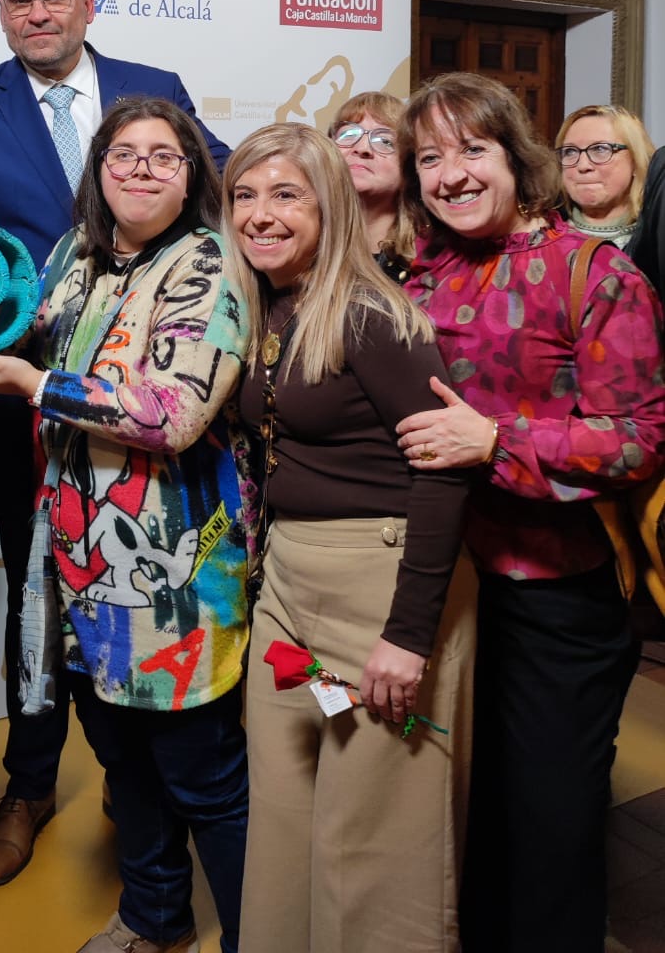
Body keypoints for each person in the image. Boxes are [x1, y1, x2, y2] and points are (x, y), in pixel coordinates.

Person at [0, 0, 231, 887]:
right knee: (39, 591)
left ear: (87, 2)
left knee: (153, 592)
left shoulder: (153, 86)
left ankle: (145, 782)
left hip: (157, 402)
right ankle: (30, 782)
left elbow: (225, 187)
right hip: (27, 399)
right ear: (0, 10)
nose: (38, 13)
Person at [0, 96, 251, 953]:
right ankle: (156, 921)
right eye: (123, 153)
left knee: (203, 780)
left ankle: (253, 933)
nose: (141, 169)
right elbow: (30, 338)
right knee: (124, 765)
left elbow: (173, 413)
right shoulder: (71, 254)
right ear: (97, 170)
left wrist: (34, 386)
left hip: (171, 586)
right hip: (72, 566)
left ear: (191, 177)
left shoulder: (209, 264)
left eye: (164, 155)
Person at [395, 72, 665, 953]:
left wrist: (494, 441)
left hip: (557, 595)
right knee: (469, 812)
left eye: (472, 149)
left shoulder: (595, 273)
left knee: (552, 825)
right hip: (446, 590)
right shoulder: (418, 271)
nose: (451, 174)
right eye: (429, 157)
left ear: (516, 157)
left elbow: (637, 439)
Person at [226, 123, 474, 953]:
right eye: (243, 196)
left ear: (329, 205)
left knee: (372, 840)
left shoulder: (375, 318)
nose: (259, 215)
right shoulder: (268, 304)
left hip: (379, 589)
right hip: (289, 592)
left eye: (284, 195)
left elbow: (443, 472)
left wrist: (408, 637)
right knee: (285, 814)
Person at [328, 89, 415, 280]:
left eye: (385, 141)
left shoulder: (430, 263)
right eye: (349, 134)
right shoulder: (301, 249)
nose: (362, 148)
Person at [554, 102, 654, 251]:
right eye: (570, 151)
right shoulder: (540, 237)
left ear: (635, 161)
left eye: (600, 149)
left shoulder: (656, 242)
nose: (583, 166)